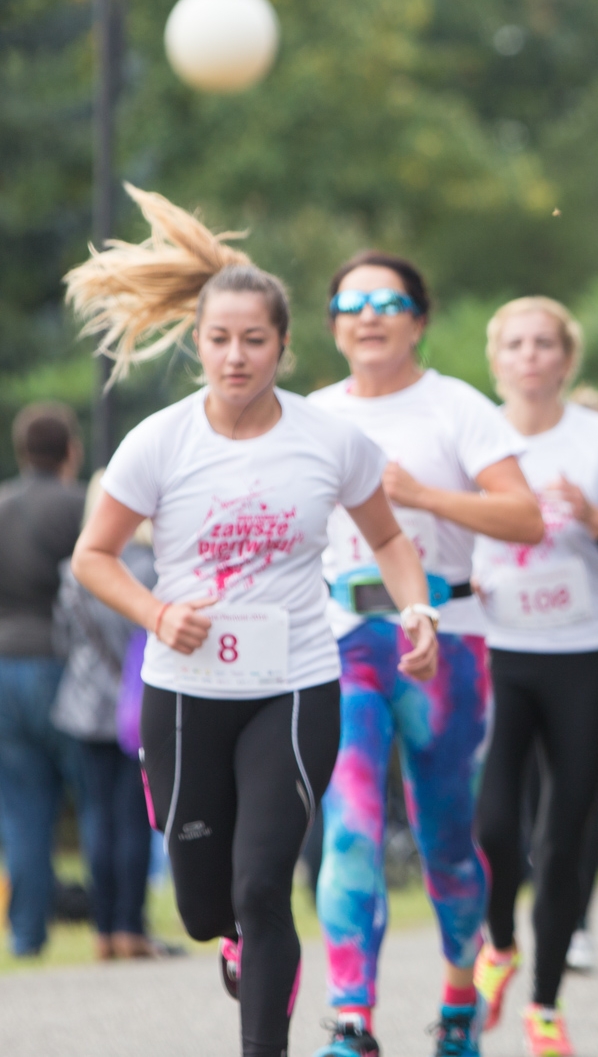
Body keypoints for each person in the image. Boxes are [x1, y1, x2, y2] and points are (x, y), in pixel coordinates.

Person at [64, 185, 439, 1057]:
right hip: (188, 689)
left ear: (282, 345)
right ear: (198, 344)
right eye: (220, 340)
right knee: (204, 905)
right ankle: (228, 937)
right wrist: (158, 612)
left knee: (264, 882)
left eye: (255, 340)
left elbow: (388, 538)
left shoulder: (329, 440)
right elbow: (93, 556)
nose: (237, 357)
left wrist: (416, 605)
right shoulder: (158, 442)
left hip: (297, 682)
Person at [310, 252, 544, 1057]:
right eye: (351, 302)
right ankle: (351, 1019)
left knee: (447, 834)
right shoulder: (307, 414)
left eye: (388, 301)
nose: (368, 315)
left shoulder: (456, 408)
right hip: (340, 639)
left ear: (419, 316)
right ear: (333, 320)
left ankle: (457, 1003)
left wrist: (416, 497)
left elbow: (524, 518)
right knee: (350, 824)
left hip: (444, 636)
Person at [467, 295, 598, 1056]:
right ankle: (498, 943)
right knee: (496, 823)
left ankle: (544, 1002)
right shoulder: (474, 433)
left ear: (567, 358)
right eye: (517, 345)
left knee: (563, 834)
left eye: (545, 344)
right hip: (499, 647)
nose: (530, 356)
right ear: (497, 359)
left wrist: (593, 518)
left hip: (585, 653)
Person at [52, 472, 164, 960]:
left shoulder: (71, 571)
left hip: (82, 705)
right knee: (135, 817)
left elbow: (63, 640)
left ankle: (102, 928)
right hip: (138, 708)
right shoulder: (155, 569)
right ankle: (129, 927)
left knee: (97, 818)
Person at [0, 401, 86, 957]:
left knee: (22, 809)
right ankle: (117, 923)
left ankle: (27, 934)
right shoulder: (79, 507)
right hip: (62, 665)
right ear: (70, 451)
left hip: (3, 668)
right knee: (99, 796)